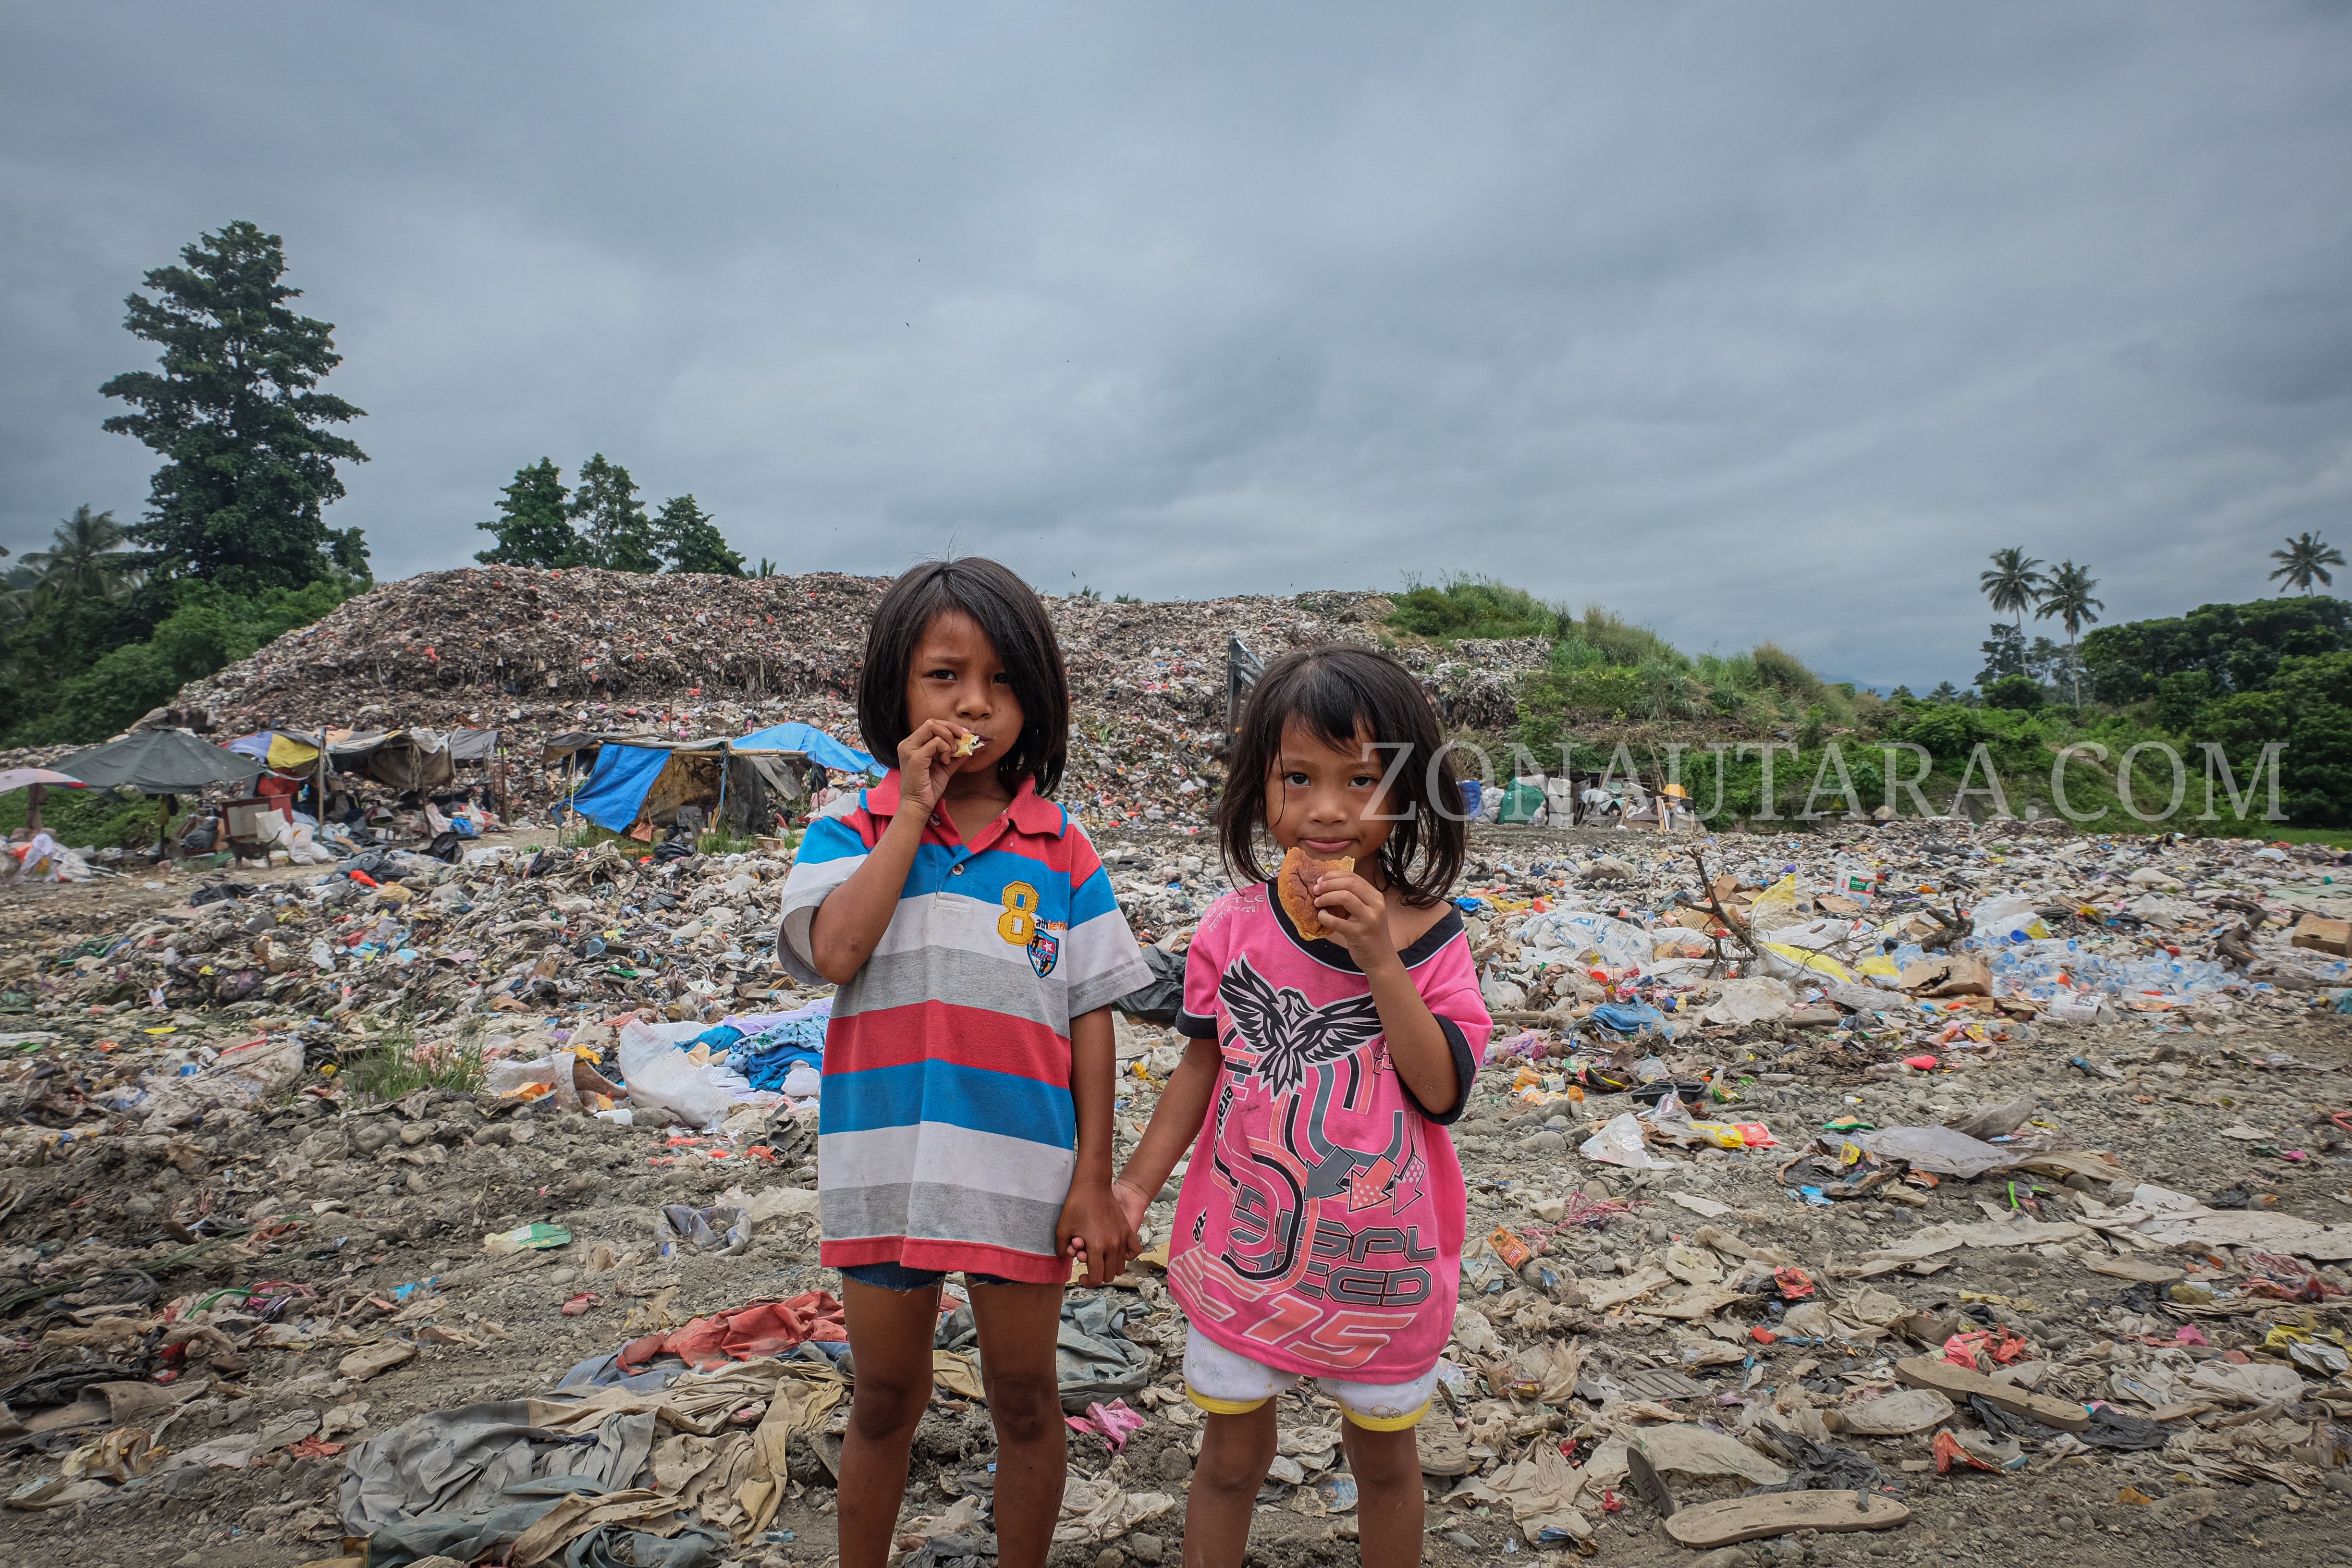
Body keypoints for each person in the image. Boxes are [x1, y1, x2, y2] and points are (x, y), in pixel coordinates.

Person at [774, 558, 1149, 1568]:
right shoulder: (846, 830)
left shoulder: (1061, 850)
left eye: (1001, 681)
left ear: (1039, 698)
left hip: (1020, 1172)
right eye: (944, 677)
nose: (974, 704)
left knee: (1028, 1401)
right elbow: (837, 951)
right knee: (887, 1398)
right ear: (896, 689)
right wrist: (910, 808)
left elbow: (1091, 1020)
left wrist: (1093, 1181)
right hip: (887, 1168)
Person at [1112, 646, 1493, 1568]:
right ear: (1262, 792)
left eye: (1363, 780)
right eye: (1299, 777)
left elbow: (1440, 1092)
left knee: (1386, 1463)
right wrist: (1133, 1192)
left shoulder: (1433, 937)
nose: (1328, 809)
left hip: (1379, 1261)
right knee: (1233, 1457)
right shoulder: (1231, 929)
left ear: (1407, 795)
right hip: (1245, 1249)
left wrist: (1380, 961)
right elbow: (1201, 1071)